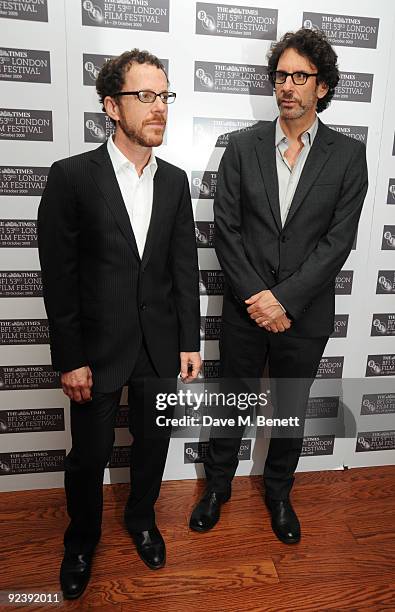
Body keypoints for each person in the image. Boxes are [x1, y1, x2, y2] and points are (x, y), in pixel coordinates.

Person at [189, 28, 368, 544]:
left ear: (323, 88)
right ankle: (217, 488)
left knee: (290, 407)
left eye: (300, 76)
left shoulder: (348, 156)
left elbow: (337, 242)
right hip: (247, 308)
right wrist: (259, 301)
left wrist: (285, 300)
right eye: (281, 75)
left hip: (304, 313)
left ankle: (279, 493)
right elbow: (227, 229)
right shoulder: (241, 147)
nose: (287, 86)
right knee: (233, 401)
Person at [38, 48, 201, 599]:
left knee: (153, 445)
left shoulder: (176, 183)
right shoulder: (71, 178)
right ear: (111, 105)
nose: (159, 108)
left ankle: (141, 519)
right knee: (89, 455)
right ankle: (81, 539)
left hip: (158, 347)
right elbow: (58, 281)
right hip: (96, 351)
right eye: (145, 96)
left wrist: (189, 342)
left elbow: (184, 268)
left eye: (165, 96)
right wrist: (70, 359)